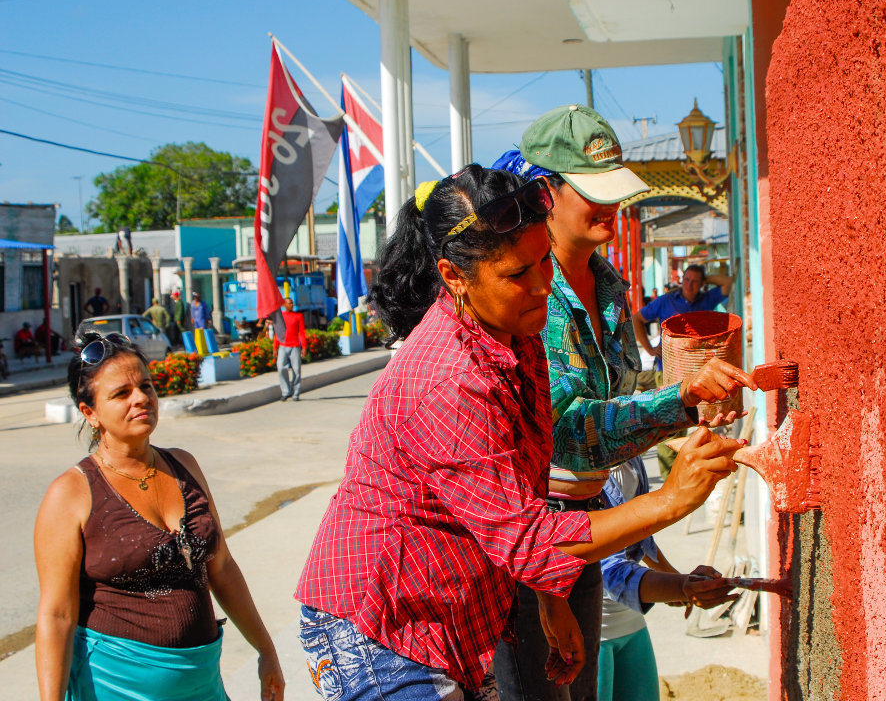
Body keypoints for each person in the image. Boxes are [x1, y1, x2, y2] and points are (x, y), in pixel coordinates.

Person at [295, 165, 742, 701]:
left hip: (456, 617)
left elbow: (537, 470)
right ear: (454, 276)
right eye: (516, 274)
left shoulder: (513, 333)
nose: (540, 289)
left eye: (543, 265)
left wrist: (551, 600)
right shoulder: (449, 382)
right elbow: (529, 538)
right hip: (382, 627)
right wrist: (668, 501)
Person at [491, 105, 756, 701]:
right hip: (531, 534)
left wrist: (687, 395)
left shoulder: (607, 283)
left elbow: (614, 397)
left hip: (587, 525)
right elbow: (567, 428)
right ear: (544, 194)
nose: (610, 206)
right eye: (592, 191)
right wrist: (677, 405)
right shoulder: (533, 295)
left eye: (615, 191)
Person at [34, 331, 284, 701]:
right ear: (90, 413)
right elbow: (56, 616)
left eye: (146, 386)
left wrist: (266, 650)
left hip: (203, 683)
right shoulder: (70, 494)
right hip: (115, 686)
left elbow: (223, 568)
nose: (141, 399)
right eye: (121, 394)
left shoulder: (184, 465)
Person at [596, 457, 734, 701]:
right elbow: (605, 565)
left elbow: (636, 530)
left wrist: (673, 577)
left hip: (629, 622)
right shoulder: (579, 466)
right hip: (595, 630)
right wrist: (678, 587)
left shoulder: (631, 458)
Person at [631, 263, 735, 478]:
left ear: (702, 284)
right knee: (668, 426)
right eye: (687, 279)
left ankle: (682, 474)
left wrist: (705, 281)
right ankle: (670, 478)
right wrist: (650, 349)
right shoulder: (666, 301)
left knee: (689, 424)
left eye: (695, 281)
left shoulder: (706, 300)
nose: (689, 284)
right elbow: (637, 319)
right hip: (667, 373)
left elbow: (727, 282)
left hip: (698, 374)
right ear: (681, 280)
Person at [273, 297, 306, 402]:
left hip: (295, 347)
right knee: (281, 368)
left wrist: (304, 347)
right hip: (283, 346)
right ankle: (285, 392)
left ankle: (296, 393)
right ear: (284, 305)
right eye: (289, 303)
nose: (291, 305)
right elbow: (277, 333)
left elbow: (302, 333)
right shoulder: (281, 316)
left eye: (292, 303)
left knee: (296, 370)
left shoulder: (298, 316)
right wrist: (275, 347)